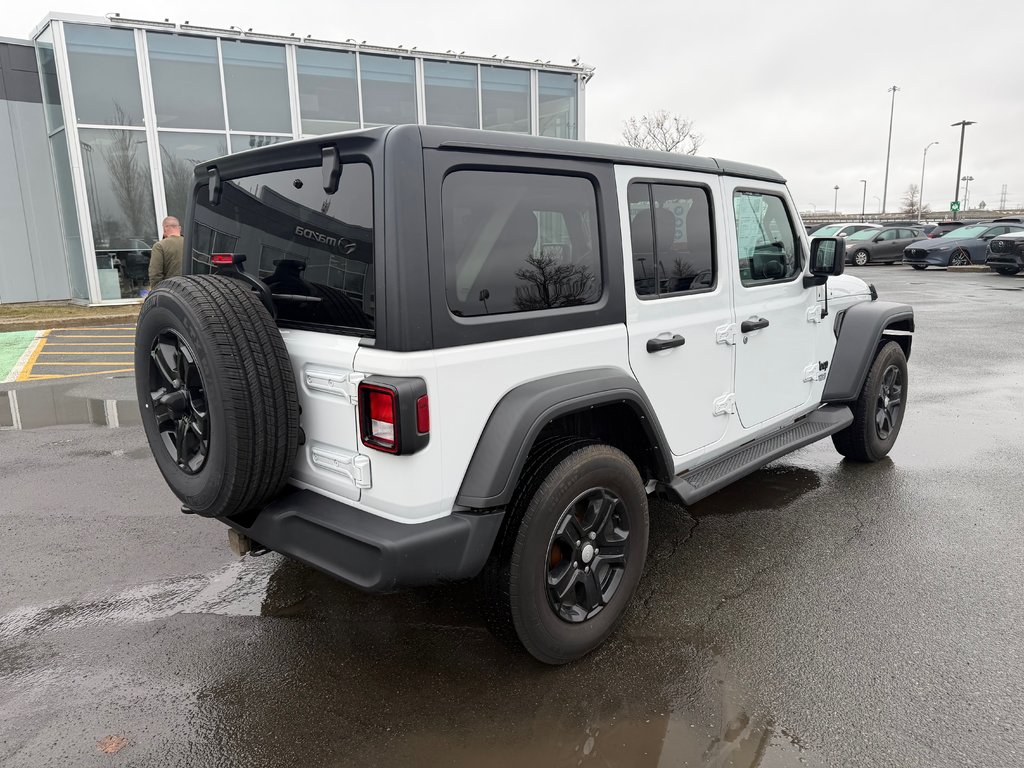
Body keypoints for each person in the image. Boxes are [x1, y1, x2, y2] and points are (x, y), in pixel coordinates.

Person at [148, 216, 184, 290]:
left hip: (172, 291)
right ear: (179, 228)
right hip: (193, 292)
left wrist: (156, 293)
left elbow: (155, 274)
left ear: (164, 229)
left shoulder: (160, 246)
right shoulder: (191, 244)